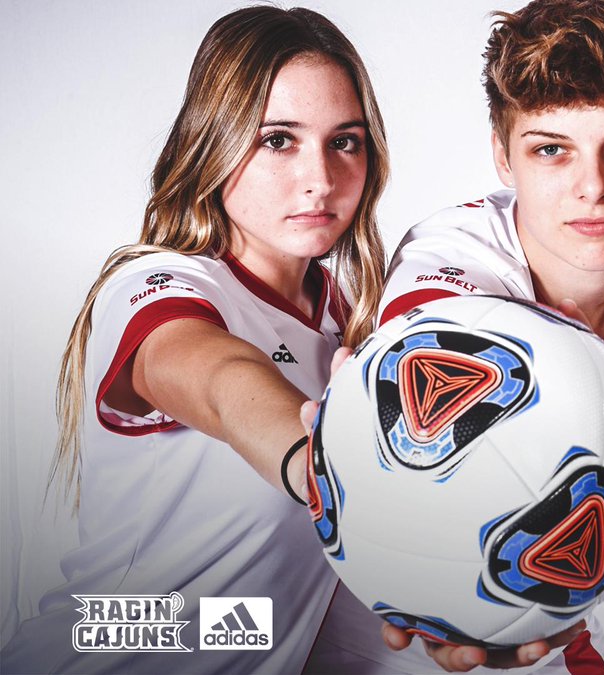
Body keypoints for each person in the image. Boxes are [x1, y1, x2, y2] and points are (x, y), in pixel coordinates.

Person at [304, 1, 604, 673]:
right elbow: (427, 343)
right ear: (502, 158)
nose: (592, 187)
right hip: (397, 621)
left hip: (573, 614)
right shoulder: (454, 253)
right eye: (550, 150)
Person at [0, 7, 389, 673]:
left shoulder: (345, 320)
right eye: (277, 140)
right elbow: (216, 377)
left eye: (344, 141)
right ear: (215, 140)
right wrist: (314, 460)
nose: (319, 177)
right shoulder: (155, 285)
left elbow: (264, 612)